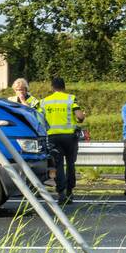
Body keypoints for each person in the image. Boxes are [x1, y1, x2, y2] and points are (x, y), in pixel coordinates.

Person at [40, 76, 85, 204]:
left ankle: (61, 194)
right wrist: (81, 118)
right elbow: (80, 117)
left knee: (58, 166)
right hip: (69, 137)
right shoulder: (70, 99)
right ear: (64, 87)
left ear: (52, 87)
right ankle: (70, 192)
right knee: (70, 164)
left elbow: (39, 119)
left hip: (52, 137)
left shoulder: (44, 101)